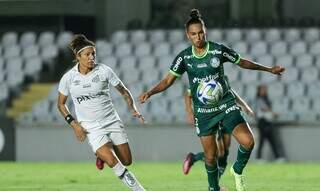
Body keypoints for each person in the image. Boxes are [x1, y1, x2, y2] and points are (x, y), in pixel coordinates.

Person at [139, 9, 285, 191]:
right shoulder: (184, 57)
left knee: (248, 142)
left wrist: (269, 69)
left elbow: (242, 62)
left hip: (226, 105)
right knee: (211, 156)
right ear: (188, 35)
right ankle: (213, 189)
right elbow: (168, 80)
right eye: (193, 34)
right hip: (204, 113)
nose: (198, 37)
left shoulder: (217, 50)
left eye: (201, 33)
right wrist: (150, 92)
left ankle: (237, 170)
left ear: (205, 31)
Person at [57, 34, 146, 191]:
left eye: (93, 54)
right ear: (78, 57)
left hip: (111, 120)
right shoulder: (68, 78)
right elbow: (61, 104)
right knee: (113, 161)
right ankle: (139, 189)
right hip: (90, 127)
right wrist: (74, 124)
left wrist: (134, 109)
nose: (92, 57)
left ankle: (101, 156)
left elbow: (124, 91)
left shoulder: (104, 71)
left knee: (126, 160)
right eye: (87, 54)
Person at [183, 87, 254, 178]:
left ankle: (213, 183)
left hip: (227, 113)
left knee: (224, 151)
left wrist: (244, 105)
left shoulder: (221, 76)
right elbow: (188, 94)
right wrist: (189, 111)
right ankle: (194, 158)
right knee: (220, 152)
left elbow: (230, 92)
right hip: (214, 116)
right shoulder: (200, 78)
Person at [255, 85, 286, 162]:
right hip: (262, 122)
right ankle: (258, 158)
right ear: (259, 91)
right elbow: (264, 109)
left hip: (268, 122)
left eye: (265, 90)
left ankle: (278, 157)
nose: (264, 91)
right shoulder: (258, 100)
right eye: (262, 90)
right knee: (261, 141)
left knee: (272, 141)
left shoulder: (266, 99)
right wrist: (273, 113)